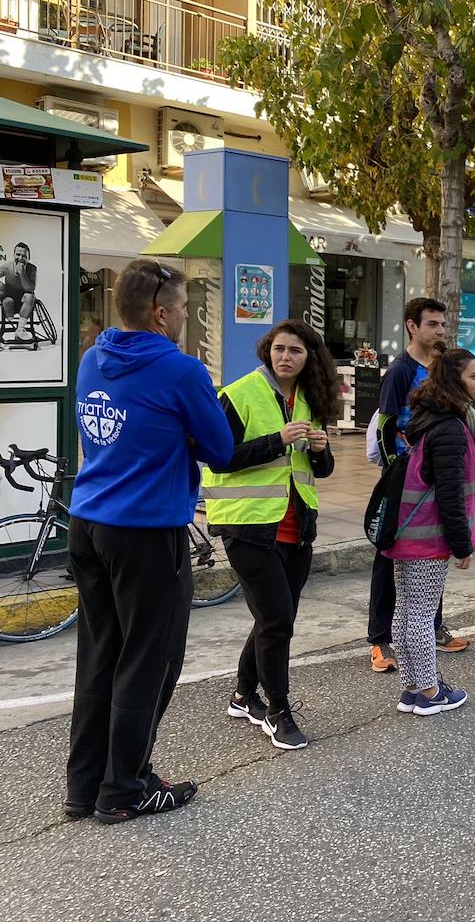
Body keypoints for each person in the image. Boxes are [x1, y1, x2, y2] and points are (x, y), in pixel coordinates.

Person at [65, 261, 235, 824]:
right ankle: (125, 788)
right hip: (146, 529)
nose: (186, 317)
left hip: (89, 521)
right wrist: (183, 434)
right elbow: (221, 450)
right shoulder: (180, 370)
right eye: (184, 308)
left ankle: (85, 786)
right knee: (150, 659)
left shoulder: (93, 358)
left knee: (100, 655)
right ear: (162, 314)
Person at [204, 320, 338, 751]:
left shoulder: (310, 399)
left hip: (296, 526)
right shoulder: (239, 393)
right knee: (277, 619)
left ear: (309, 357)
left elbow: (320, 470)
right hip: (247, 525)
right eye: (279, 349)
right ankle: (278, 711)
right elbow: (218, 458)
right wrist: (276, 440)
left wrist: (321, 452)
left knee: (275, 617)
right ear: (268, 350)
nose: (285, 357)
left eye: (295, 351)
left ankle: (243, 696)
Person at [367, 298, 468, 673]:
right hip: (402, 481)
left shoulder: (442, 366)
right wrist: (394, 474)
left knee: (433, 552)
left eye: (442, 324)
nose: (440, 330)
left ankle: (432, 626)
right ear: (412, 326)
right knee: (388, 554)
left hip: (433, 479)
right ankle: (379, 640)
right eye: (432, 324)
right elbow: (385, 425)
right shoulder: (399, 371)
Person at [385, 348, 475, 716]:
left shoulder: (427, 418)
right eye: (474, 376)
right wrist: (463, 545)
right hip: (428, 536)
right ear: (455, 381)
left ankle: (411, 688)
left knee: (405, 611)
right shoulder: (451, 428)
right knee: (422, 614)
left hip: (406, 532)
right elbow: (450, 493)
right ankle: (430, 691)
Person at [0, 240, 37, 349]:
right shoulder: (7, 267)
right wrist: (2, 288)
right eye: (18, 254)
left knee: (30, 295)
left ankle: (20, 329)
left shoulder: (32, 269)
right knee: (7, 301)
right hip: (9, 300)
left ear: (28, 258)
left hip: (25, 303)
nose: (20, 258)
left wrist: (21, 273)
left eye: (24, 256)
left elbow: (30, 288)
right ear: (13, 255)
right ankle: (12, 324)